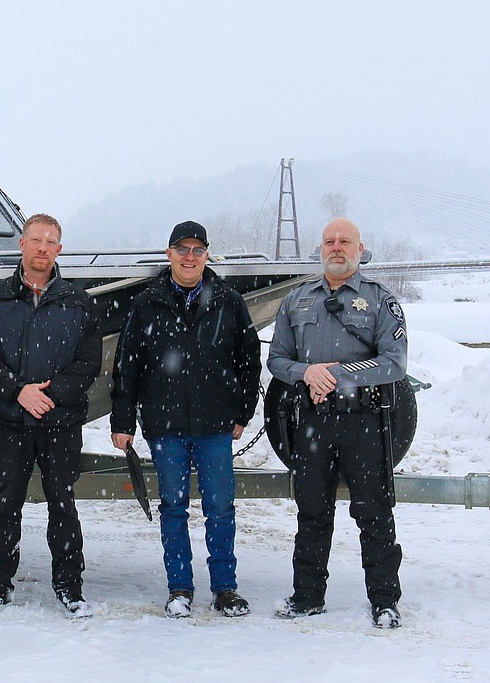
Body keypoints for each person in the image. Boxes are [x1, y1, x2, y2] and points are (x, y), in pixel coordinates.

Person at [110, 221, 262, 619]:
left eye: (198, 250)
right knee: (173, 508)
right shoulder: (147, 303)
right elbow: (127, 366)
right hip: (166, 425)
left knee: (220, 508)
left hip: (215, 426)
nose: (190, 257)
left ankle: (225, 588)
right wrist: (122, 420)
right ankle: (180, 588)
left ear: (207, 255)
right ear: (169, 254)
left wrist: (242, 411)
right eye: (182, 249)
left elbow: (249, 361)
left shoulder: (228, 301)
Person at [268, 218, 408, 629]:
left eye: (345, 241)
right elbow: (277, 359)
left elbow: (394, 363)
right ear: (321, 248)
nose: (336, 247)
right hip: (312, 423)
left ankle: (384, 601)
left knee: (374, 514)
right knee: (311, 513)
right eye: (329, 241)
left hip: (363, 422)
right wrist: (306, 373)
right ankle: (307, 597)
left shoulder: (380, 301)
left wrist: (339, 374)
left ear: (360, 248)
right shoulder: (297, 301)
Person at [0, 213, 102, 619]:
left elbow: (87, 362)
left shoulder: (80, 303)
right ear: (21, 245)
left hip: (60, 422)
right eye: (35, 239)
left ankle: (70, 587)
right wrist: (17, 391)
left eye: (50, 241)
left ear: (59, 250)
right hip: (8, 419)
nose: (42, 247)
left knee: (63, 504)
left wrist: (51, 395)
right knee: (5, 505)